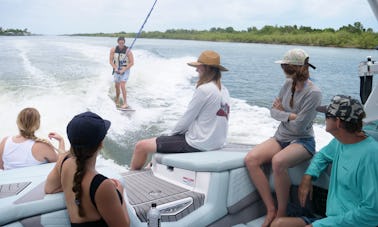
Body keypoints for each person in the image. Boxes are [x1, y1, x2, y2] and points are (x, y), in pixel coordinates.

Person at [271, 95, 378, 227]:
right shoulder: (341, 142)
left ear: (338, 122)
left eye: (327, 115)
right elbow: (322, 155)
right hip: (332, 220)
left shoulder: (371, 155)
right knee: (278, 224)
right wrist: (308, 176)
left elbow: (372, 212)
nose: (324, 118)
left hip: (351, 223)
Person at [244, 48, 322, 227]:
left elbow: (300, 126)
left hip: (303, 140)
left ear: (290, 68)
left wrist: (284, 113)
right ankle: (271, 208)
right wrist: (289, 115)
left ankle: (281, 211)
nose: (283, 70)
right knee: (251, 159)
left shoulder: (314, 93)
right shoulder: (287, 84)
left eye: (284, 66)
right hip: (281, 136)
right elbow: (272, 112)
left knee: (278, 161)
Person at [130, 50, 230, 170]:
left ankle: (131, 177)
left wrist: (170, 136)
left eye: (199, 66)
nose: (196, 70)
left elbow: (187, 119)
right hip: (217, 143)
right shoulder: (224, 90)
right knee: (164, 141)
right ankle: (151, 166)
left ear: (206, 68)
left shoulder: (204, 90)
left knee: (141, 146)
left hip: (200, 144)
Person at [45, 111, 130, 227]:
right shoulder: (102, 186)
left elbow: (49, 189)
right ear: (101, 144)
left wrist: (75, 187)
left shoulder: (63, 160)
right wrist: (120, 193)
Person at [0, 107, 64, 170]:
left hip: (11, 179)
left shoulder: (5, 141)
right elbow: (60, 166)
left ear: (18, 122)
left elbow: (1, 166)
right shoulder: (42, 146)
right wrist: (61, 141)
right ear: (37, 124)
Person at [109, 36, 134, 109]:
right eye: (120, 43)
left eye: (122, 43)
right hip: (117, 70)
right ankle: (117, 99)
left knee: (122, 84)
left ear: (124, 43)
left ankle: (125, 103)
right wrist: (115, 68)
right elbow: (110, 61)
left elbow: (132, 63)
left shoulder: (128, 51)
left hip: (125, 70)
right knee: (117, 86)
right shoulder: (113, 50)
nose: (121, 45)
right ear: (117, 42)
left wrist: (124, 69)